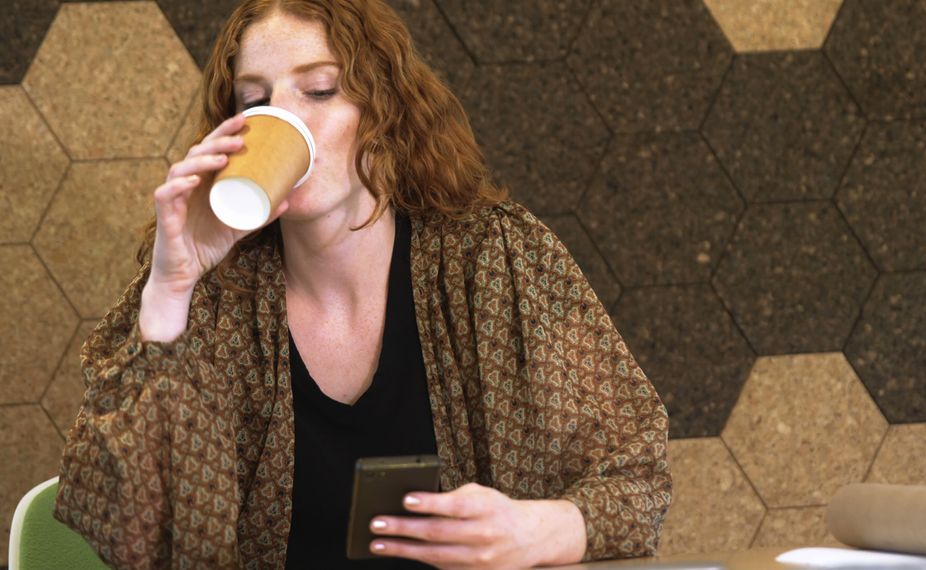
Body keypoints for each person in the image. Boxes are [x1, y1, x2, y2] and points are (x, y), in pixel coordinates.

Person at [54, 0, 671, 568]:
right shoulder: (212, 294)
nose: (284, 118)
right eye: (254, 101)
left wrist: (541, 528)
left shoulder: (495, 259)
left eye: (320, 90)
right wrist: (168, 291)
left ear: (383, 110)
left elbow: (636, 479)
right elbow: (129, 534)